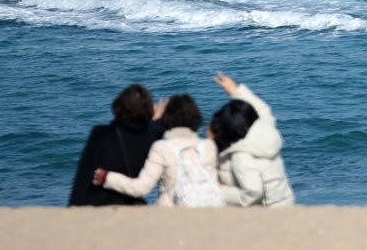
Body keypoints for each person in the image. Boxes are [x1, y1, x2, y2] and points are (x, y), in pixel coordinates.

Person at [93, 94, 217, 206]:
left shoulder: (162, 148)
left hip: (173, 215)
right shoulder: (208, 146)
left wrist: (106, 177)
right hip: (207, 209)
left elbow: (140, 188)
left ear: (168, 119)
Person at [68, 84, 165, 206]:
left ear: (118, 107)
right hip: (131, 206)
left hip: (99, 204)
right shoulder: (152, 135)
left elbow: (83, 177)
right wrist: (156, 119)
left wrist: (73, 208)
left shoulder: (101, 134)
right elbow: (159, 127)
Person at [210, 72, 295, 207]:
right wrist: (235, 91)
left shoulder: (242, 154)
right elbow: (263, 110)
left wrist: (222, 191)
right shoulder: (266, 129)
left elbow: (254, 192)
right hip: (285, 203)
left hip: (267, 212)